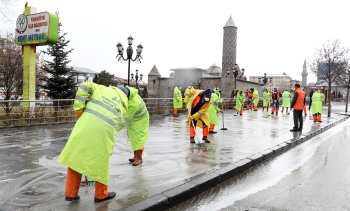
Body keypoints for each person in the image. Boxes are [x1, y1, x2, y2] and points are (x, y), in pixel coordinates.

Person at [57, 82, 129, 203]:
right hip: (104, 134)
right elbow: (118, 126)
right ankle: (101, 195)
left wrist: (79, 108)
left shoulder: (101, 88)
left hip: (84, 126)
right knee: (101, 163)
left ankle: (70, 193)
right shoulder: (123, 106)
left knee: (76, 158)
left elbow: (84, 85)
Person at [122, 86, 149, 166]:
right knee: (133, 138)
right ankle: (135, 156)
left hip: (141, 121)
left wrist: (115, 128)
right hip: (134, 119)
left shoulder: (134, 103)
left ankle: (139, 158)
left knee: (138, 139)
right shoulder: (129, 94)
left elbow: (125, 119)